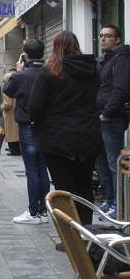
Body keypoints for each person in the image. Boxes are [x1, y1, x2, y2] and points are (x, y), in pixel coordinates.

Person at [28, 31, 101, 226]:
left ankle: (70, 237)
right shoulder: (93, 69)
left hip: (56, 138)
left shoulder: (49, 71)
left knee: (63, 189)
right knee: (84, 187)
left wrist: (37, 124)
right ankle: (86, 231)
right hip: (88, 134)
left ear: (56, 47)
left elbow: (34, 107)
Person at [3, 39, 50, 224]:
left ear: (25, 55)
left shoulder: (22, 75)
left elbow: (8, 90)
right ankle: (45, 211)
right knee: (42, 168)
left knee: (31, 169)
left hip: (27, 124)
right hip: (46, 126)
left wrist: (18, 71)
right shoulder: (49, 72)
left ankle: (33, 212)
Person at [95, 24, 130, 218]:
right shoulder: (107, 59)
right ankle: (109, 200)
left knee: (113, 163)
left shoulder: (122, 58)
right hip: (102, 117)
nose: (103, 39)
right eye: (101, 36)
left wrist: (107, 113)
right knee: (102, 162)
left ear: (117, 39)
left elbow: (121, 89)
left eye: (108, 36)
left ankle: (119, 205)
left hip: (112, 118)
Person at [0, 77, 20, 156]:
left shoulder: (8, 90)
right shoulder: (17, 87)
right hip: (16, 112)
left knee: (11, 133)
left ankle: (14, 150)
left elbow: (8, 104)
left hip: (10, 114)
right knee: (16, 133)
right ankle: (16, 149)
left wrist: (1, 106)